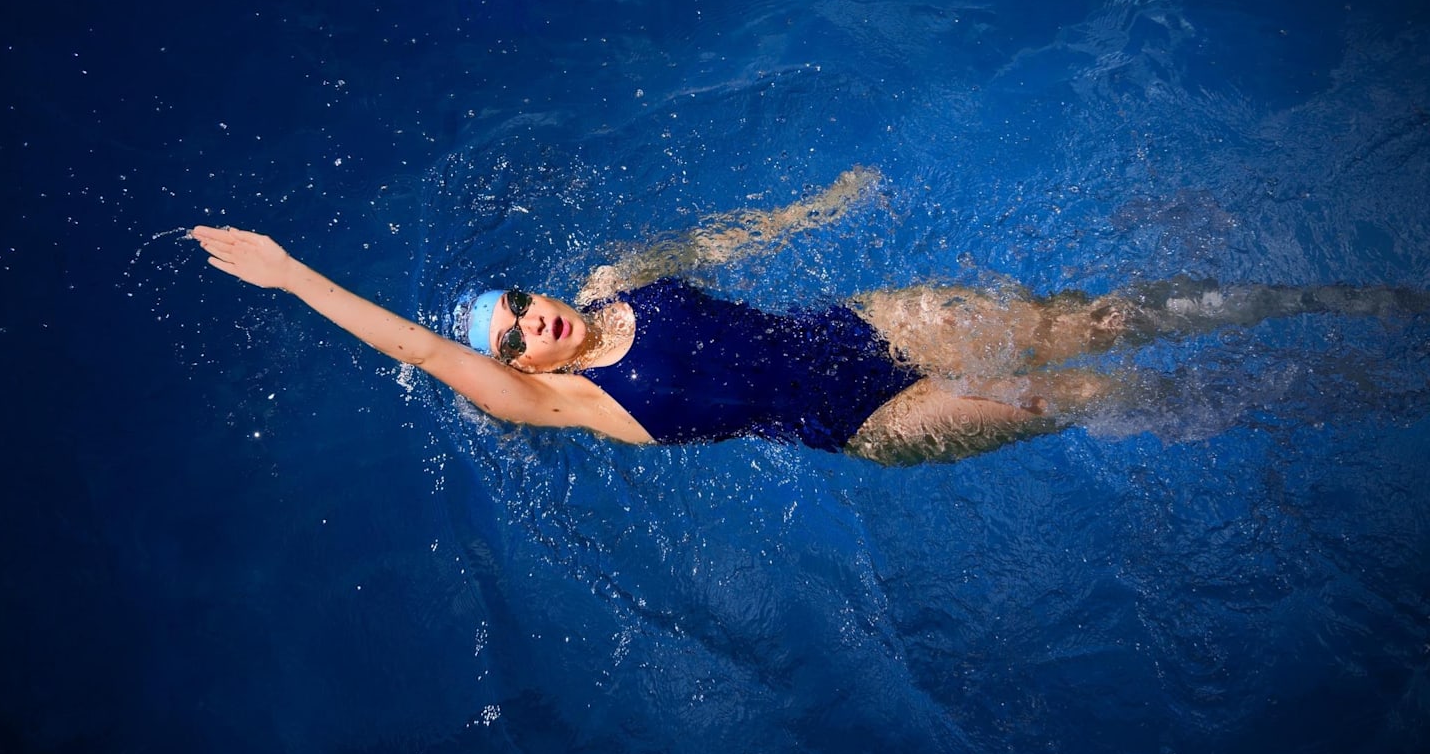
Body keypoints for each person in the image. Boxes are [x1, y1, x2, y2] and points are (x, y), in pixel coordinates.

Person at [191, 168, 1426, 464]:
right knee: (1074, 396)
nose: (527, 333)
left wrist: (816, 205)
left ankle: (1353, 298)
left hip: (863, 325)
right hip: (868, 416)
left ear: (538, 291)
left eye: (519, 309)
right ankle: (1332, 397)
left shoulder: (620, 277)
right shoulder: (555, 401)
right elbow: (413, 344)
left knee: (1092, 319)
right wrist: (291, 273)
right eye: (504, 344)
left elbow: (719, 242)